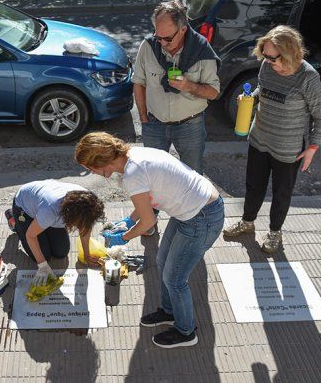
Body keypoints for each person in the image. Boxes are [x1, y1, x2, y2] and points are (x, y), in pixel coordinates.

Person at [75, 132, 224, 348]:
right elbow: (149, 199)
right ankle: (169, 311)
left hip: (201, 216)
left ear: (101, 161)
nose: (91, 173)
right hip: (191, 211)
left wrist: (123, 238)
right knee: (163, 262)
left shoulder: (133, 173)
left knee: (175, 279)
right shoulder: (133, 155)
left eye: (91, 168)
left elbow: (148, 222)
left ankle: (186, 332)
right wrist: (128, 220)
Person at [222, 25, 321, 254]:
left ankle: (274, 232)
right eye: (265, 57)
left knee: (281, 192)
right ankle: (247, 222)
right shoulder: (267, 66)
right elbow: (263, 88)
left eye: (272, 57)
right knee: (253, 186)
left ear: (289, 52)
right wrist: (250, 97)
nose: (267, 61)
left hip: (288, 147)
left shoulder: (308, 77)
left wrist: (312, 147)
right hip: (259, 138)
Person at [132, 0, 221, 175]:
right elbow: (138, 82)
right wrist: (143, 116)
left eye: (167, 38)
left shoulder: (201, 49)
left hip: (190, 125)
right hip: (154, 124)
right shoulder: (148, 45)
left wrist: (189, 85)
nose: (162, 43)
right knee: (155, 177)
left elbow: (213, 93)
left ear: (183, 29)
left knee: (192, 177)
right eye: (158, 37)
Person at [5, 180, 105, 286]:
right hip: (24, 208)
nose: (81, 226)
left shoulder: (89, 203)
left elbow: (85, 228)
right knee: (44, 256)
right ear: (71, 216)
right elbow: (30, 236)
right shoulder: (51, 210)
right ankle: (14, 220)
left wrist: (86, 255)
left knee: (61, 252)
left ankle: (41, 225)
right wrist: (43, 266)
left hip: (44, 209)